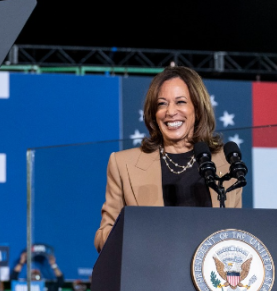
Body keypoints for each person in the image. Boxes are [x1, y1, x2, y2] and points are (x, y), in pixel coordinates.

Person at [95, 66, 240, 251]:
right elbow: (102, 238)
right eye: (162, 104)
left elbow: (236, 234)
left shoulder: (225, 164)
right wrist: (134, 232)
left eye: (180, 102)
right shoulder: (124, 164)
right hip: (151, 272)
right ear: (153, 114)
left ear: (197, 107)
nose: (170, 112)